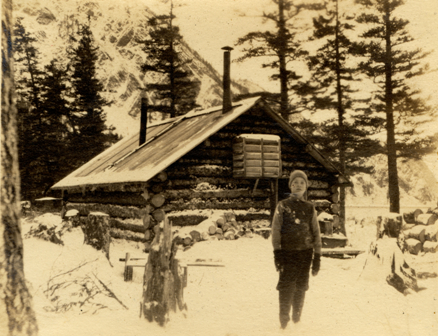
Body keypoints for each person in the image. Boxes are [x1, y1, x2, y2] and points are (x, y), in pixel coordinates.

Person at [271, 170, 322, 329]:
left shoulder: (309, 208)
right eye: (295, 183)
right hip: (287, 253)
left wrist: (317, 257)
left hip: (305, 254)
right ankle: (284, 323)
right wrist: (277, 253)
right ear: (290, 186)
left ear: (306, 186)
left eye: (302, 183)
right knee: (286, 287)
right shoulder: (283, 206)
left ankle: (296, 320)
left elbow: (316, 232)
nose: (298, 185)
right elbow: (276, 230)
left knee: (301, 286)